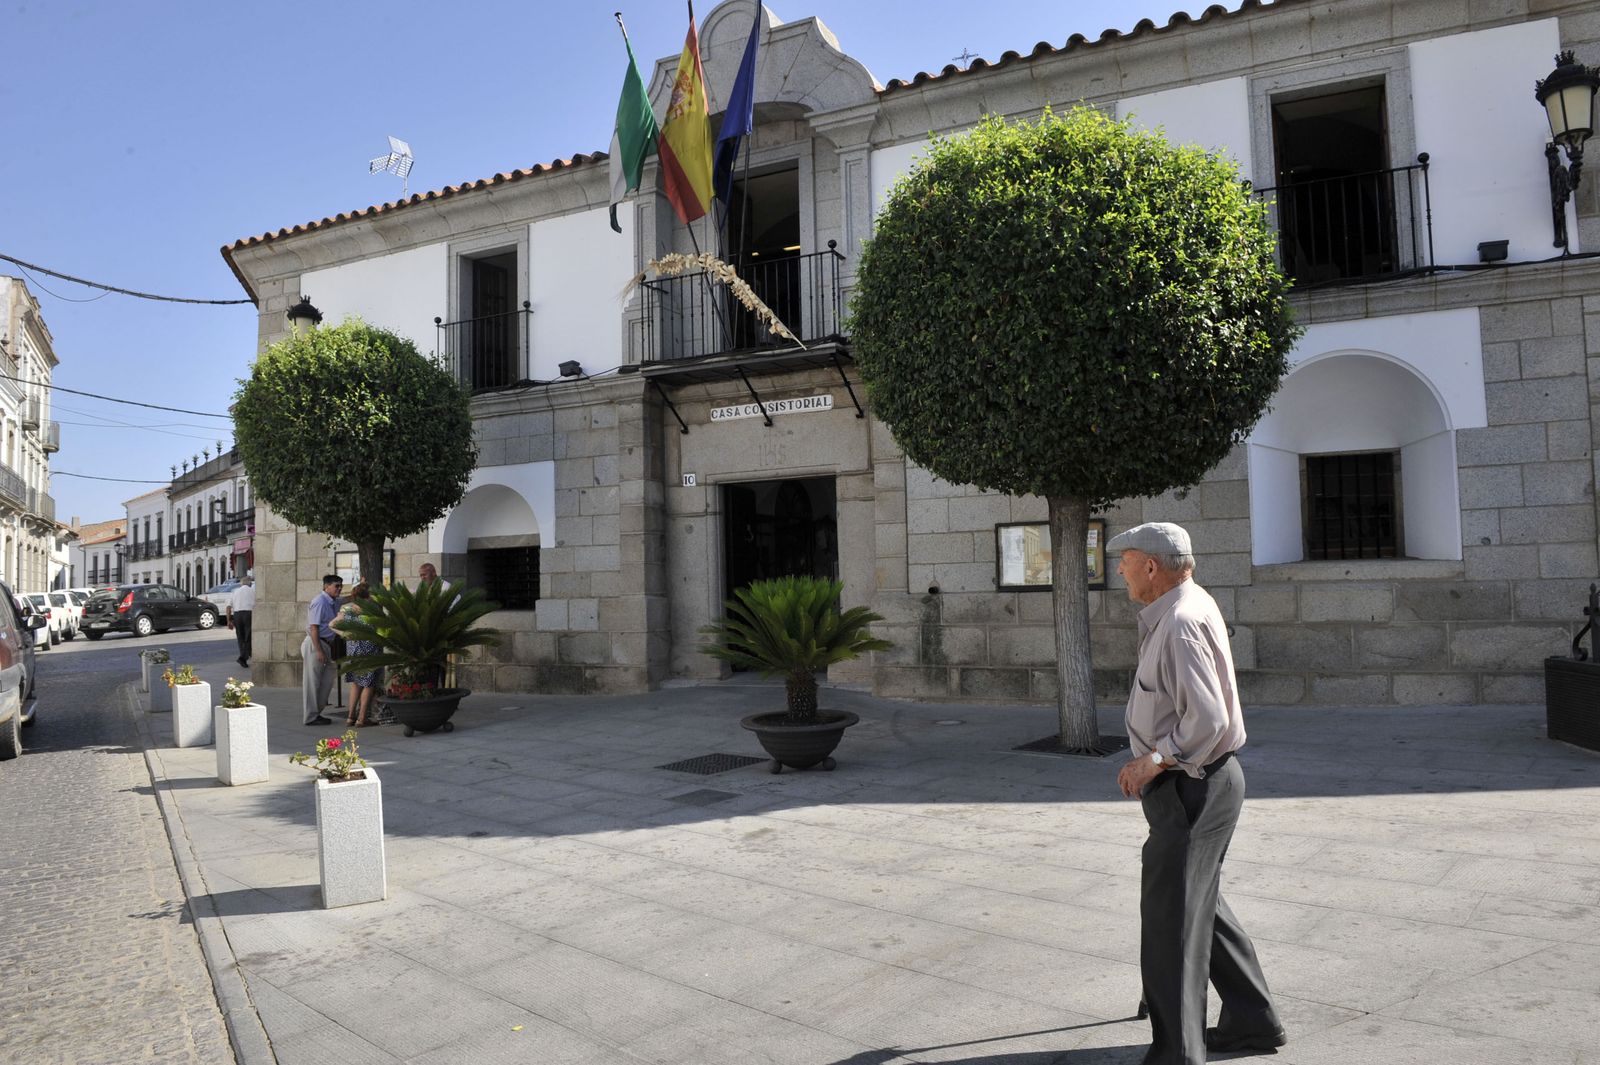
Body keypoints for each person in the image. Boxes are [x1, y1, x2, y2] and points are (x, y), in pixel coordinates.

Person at [1109, 521, 1285, 1065]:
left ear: (1152, 567)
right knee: (1199, 903)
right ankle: (1252, 1021)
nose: (1120, 569)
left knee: (1172, 921)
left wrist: (1152, 761)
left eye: (1126, 560)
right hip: (1202, 783)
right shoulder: (1185, 604)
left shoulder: (1180, 620)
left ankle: (1178, 1053)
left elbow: (1206, 720)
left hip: (1190, 784)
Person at [335, 582, 381, 727]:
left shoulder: (347, 608)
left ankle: (350, 717)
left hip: (353, 649)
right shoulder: (371, 610)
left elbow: (331, 624)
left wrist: (345, 634)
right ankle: (361, 719)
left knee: (356, 683)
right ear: (367, 596)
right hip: (370, 649)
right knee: (368, 684)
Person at [300, 574, 343, 726]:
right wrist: (318, 650)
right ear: (326, 586)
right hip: (316, 643)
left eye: (340, 586)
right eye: (336, 586)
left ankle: (316, 712)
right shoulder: (319, 602)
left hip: (327, 644)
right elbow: (313, 627)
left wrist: (360, 588)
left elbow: (348, 599)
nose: (339, 589)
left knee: (326, 681)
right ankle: (310, 717)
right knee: (312, 682)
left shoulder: (334, 601)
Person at [226, 575, 255, 668]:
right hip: (248, 614)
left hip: (237, 615)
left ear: (241, 583)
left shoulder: (235, 592)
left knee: (240, 638)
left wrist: (229, 620)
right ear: (250, 583)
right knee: (248, 637)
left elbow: (228, 607)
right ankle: (243, 658)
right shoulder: (253, 591)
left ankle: (244, 657)